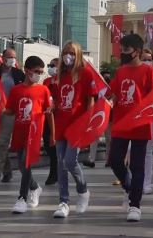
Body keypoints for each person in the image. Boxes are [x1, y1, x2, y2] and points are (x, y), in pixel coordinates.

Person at [107, 33, 153, 222]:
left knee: (138, 165)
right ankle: (129, 186)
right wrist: (107, 101)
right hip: (122, 123)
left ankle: (135, 205)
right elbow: (112, 93)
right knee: (114, 160)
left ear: (136, 51)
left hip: (141, 124)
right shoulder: (120, 72)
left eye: (126, 50)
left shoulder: (148, 71)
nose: (123, 52)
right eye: (122, 49)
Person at [50, 41, 98, 218]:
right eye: (65, 52)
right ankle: (63, 202)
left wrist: (89, 119)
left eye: (71, 53)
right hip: (61, 122)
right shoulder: (60, 75)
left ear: (77, 55)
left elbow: (91, 99)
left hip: (77, 124)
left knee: (70, 161)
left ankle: (83, 190)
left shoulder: (85, 74)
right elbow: (55, 97)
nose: (67, 56)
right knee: (60, 163)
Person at [3, 56, 53, 214]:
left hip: (34, 133)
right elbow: (10, 110)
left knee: (25, 163)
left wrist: (53, 133)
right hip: (19, 131)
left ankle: (22, 198)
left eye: (41, 72)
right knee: (22, 166)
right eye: (36, 71)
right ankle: (35, 187)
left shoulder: (43, 90)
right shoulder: (16, 90)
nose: (39, 74)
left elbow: (49, 112)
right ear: (26, 70)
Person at [0, 48, 25, 186]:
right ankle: (7, 170)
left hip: (10, 112)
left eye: (14, 57)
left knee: (2, 143)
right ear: (2, 58)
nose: (12, 59)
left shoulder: (18, 74)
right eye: (9, 57)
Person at [140, 48, 153, 195]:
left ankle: (146, 183)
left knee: (147, 152)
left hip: (149, 118)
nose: (147, 61)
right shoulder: (133, 74)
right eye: (144, 58)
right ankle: (134, 179)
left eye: (149, 58)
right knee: (131, 150)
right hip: (134, 118)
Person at [43, 58, 61, 186]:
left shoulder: (63, 80)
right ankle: (55, 170)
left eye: (53, 65)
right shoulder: (46, 81)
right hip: (47, 116)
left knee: (55, 145)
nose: (51, 67)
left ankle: (55, 173)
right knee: (48, 146)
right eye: (49, 65)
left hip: (59, 116)